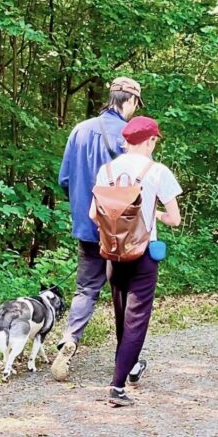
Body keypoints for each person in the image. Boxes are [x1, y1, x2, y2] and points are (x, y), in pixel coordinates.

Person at [52, 77, 143, 382]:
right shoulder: (130, 137)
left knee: (86, 288)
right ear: (129, 101)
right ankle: (127, 360)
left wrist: (83, 207)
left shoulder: (79, 130)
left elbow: (64, 179)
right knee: (125, 292)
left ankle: (70, 338)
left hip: (86, 226)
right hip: (122, 231)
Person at [89, 116, 182, 406]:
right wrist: (153, 216)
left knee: (122, 316)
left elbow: (94, 214)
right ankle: (117, 386)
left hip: (113, 254)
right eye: (155, 141)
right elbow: (175, 219)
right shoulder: (157, 171)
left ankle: (126, 367)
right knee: (137, 321)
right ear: (150, 140)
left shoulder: (107, 170)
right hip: (143, 254)